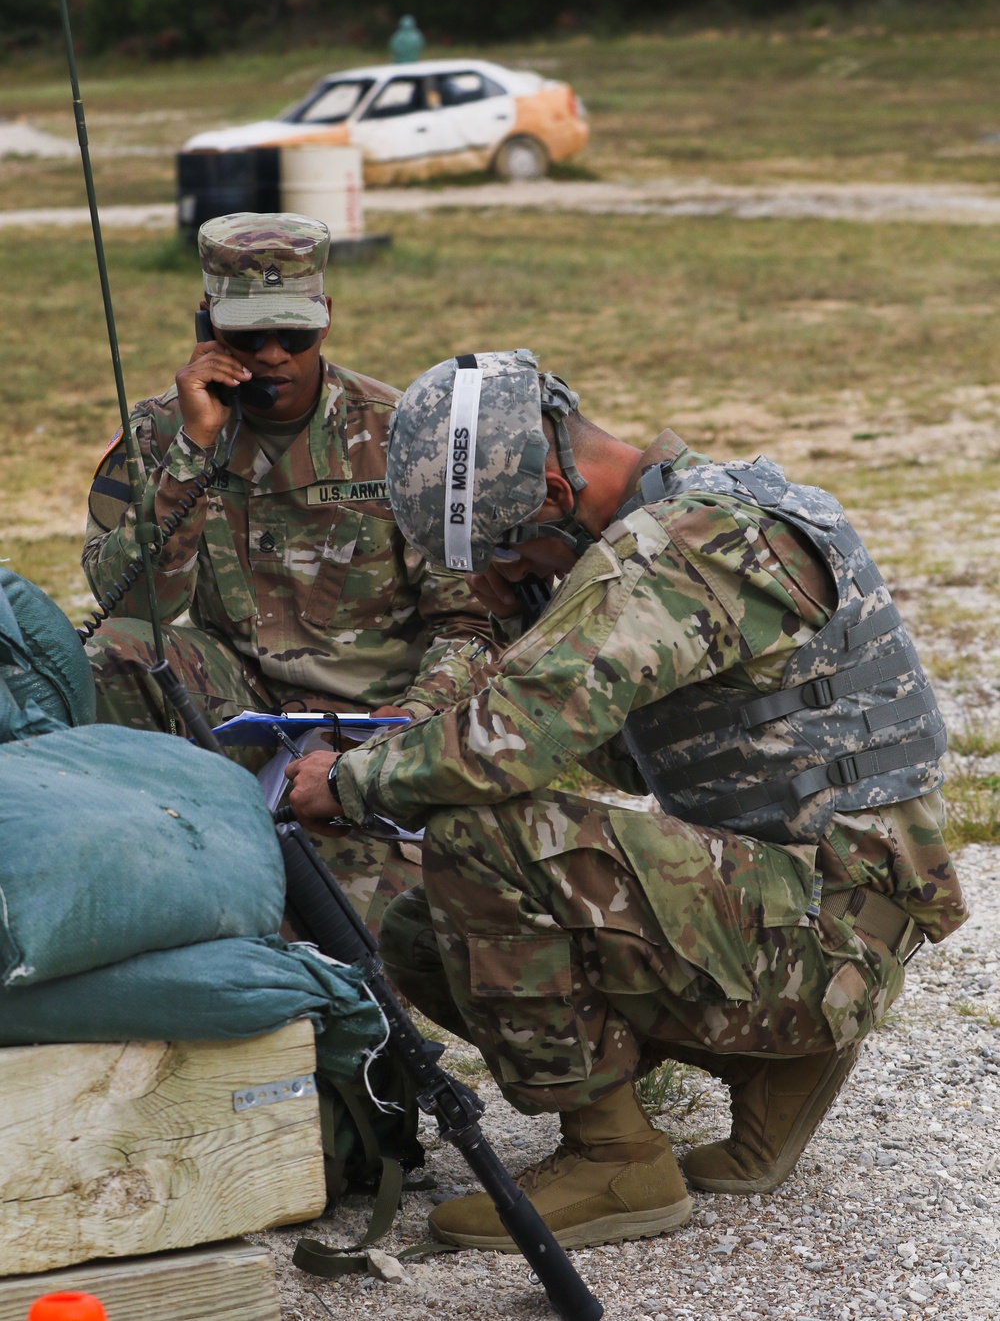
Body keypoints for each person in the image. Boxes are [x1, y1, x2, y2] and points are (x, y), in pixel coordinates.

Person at [284, 348, 968, 1251]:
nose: (495, 581)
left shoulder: (678, 549)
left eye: (501, 552)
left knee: (477, 839)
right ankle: (773, 1071)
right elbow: (628, 755)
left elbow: (512, 744)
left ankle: (617, 1160)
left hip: (825, 933)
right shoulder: (704, 512)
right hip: (829, 911)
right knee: (423, 934)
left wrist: (348, 781)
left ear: (556, 500)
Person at [81, 215, 495, 928]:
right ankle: (154, 850)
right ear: (206, 325)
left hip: (375, 727)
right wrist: (193, 451)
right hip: (238, 713)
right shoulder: (159, 434)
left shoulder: (402, 436)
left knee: (347, 924)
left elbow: (472, 626)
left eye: (294, 335)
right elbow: (138, 601)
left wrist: (401, 734)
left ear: (326, 321)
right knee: (116, 650)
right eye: (248, 338)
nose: (274, 356)